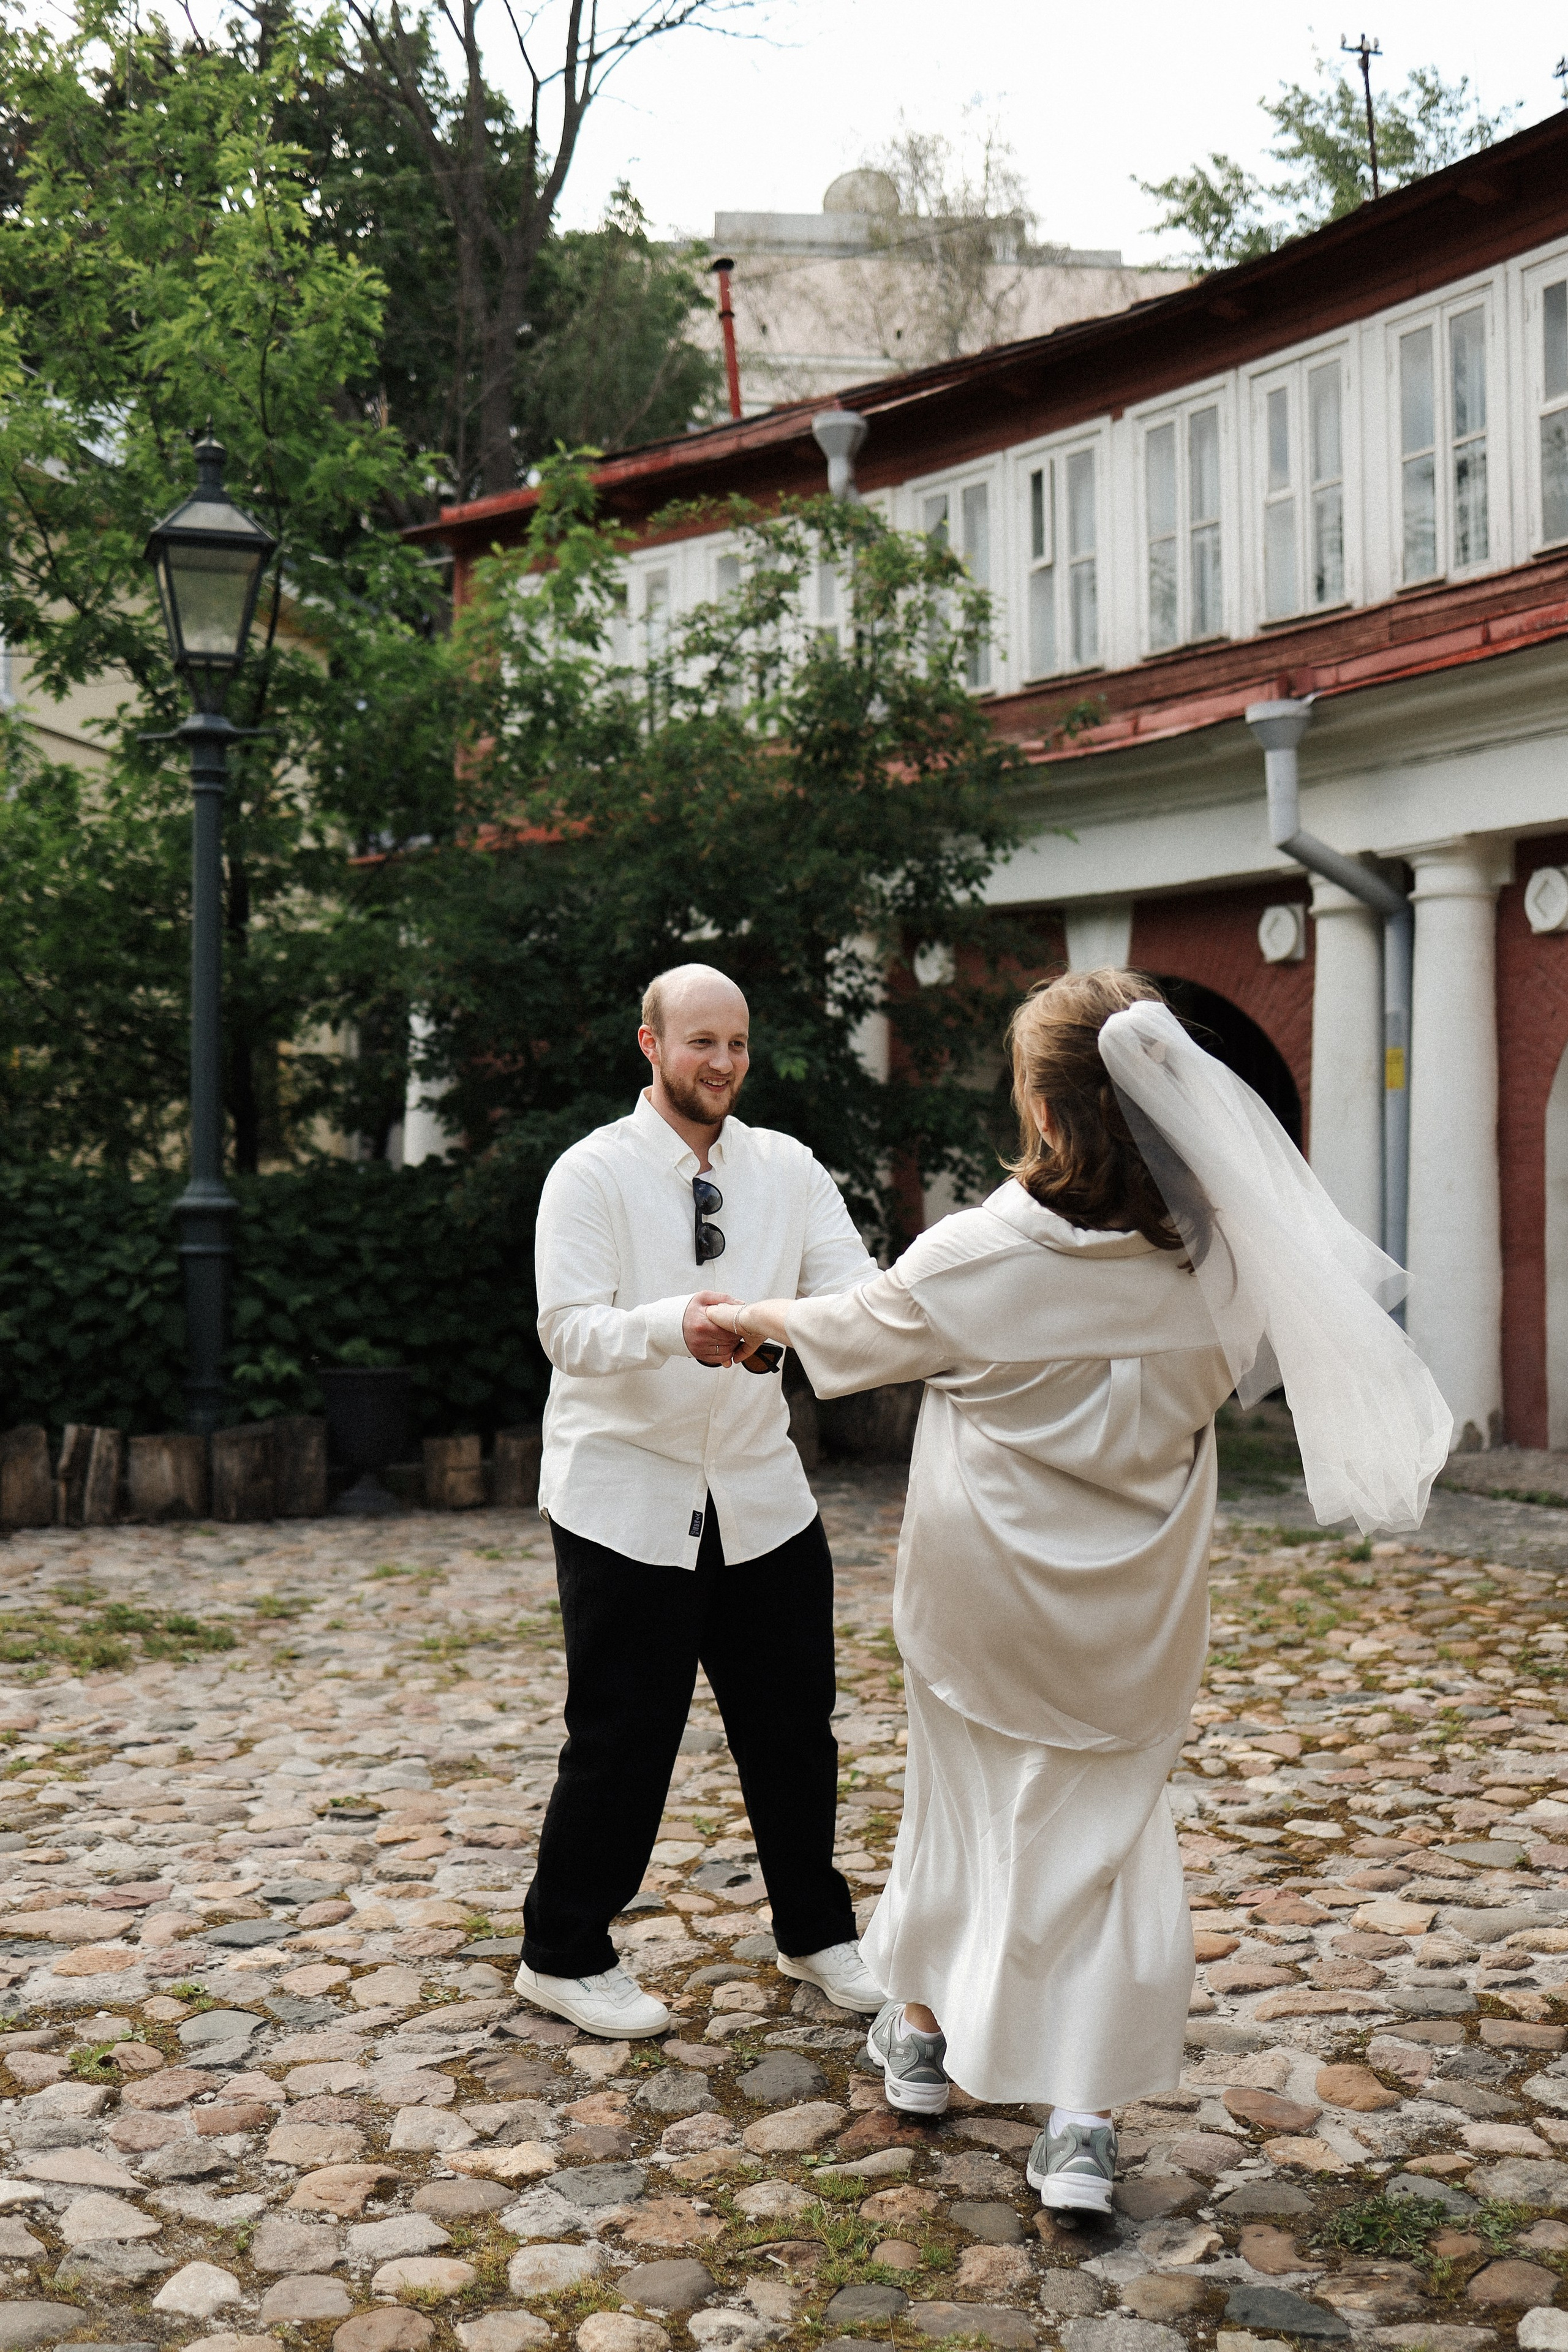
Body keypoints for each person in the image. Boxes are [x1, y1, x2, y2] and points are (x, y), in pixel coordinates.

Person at [708, 967, 1450, 2214]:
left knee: (955, 1809)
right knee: (1104, 1852)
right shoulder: (1224, 1272)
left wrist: (738, 1315)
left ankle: (925, 2039)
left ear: (1046, 1116)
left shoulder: (973, 1258)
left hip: (977, 1597)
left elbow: (842, 1325)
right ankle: (1078, 2127)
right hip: (1133, 1610)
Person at [516, 961, 886, 2040]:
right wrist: (671, 1323)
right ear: (650, 1045)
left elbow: (852, 1293)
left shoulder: (789, 1166)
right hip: (623, 1498)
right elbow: (567, 1329)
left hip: (765, 1496)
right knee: (623, 1734)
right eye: (700, 1043)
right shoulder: (589, 1174)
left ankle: (815, 1933)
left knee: (795, 1730)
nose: (722, 1063)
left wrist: (798, 1327)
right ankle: (563, 1952)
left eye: (737, 1045)